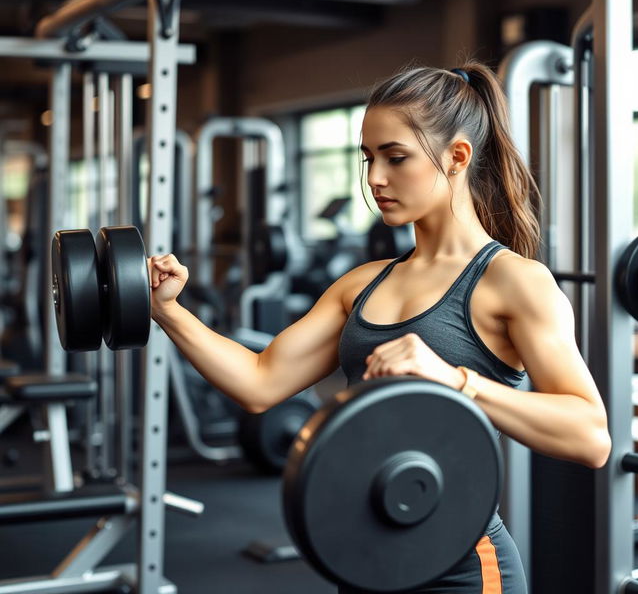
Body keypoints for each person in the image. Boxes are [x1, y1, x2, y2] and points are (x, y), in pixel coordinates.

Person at [148, 62, 611, 593]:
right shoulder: (362, 283)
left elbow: (591, 435)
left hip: (461, 564)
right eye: (368, 159)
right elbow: (259, 381)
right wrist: (169, 312)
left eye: (396, 158)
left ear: (457, 157)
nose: (375, 179)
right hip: (365, 554)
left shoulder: (514, 281)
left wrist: (456, 379)